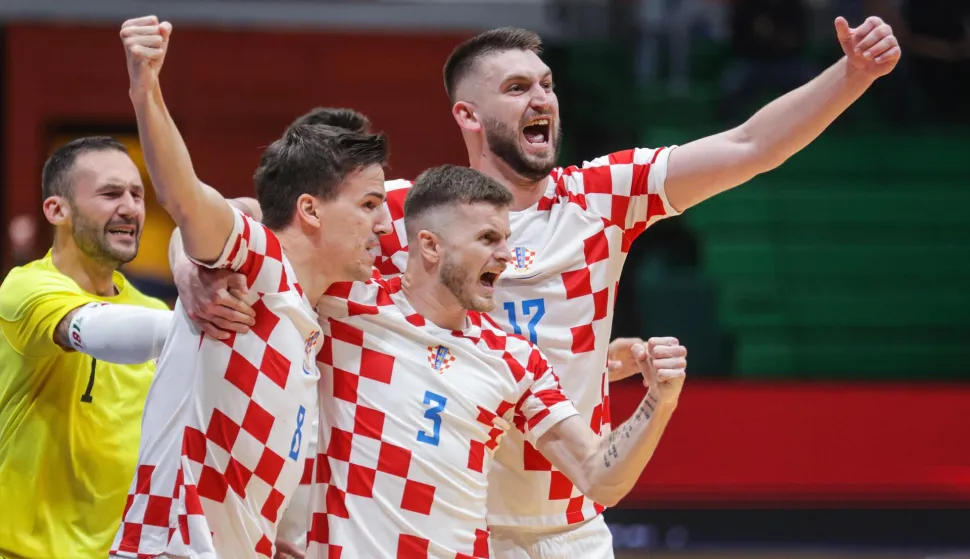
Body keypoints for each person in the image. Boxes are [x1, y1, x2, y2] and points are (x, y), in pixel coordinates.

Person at [367, 19, 901, 557]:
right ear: (469, 115)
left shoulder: (601, 198)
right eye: (517, 88)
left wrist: (853, 74)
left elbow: (749, 144)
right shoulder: (409, 216)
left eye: (547, 84)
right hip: (452, 523)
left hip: (571, 528)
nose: (541, 99)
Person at [110, 17, 390, 558]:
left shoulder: (305, 320)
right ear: (310, 210)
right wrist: (146, 89)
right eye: (369, 205)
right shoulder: (259, 266)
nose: (383, 225)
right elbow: (186, 197)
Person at [306, 164, 687, 558]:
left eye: (506, 239)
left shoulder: (513, 360)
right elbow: (278, 231)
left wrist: (658, 402)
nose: (506, 256)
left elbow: (598, 476)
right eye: (488, 239)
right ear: (431, 245)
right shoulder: (345, 305)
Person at [0, 136, 170, 558]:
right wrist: (197, 326)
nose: (130, 208)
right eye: (110, 194)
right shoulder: (25, 288)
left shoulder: (152, 311)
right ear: (57, 210)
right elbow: (95, 329)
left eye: (137, 195)